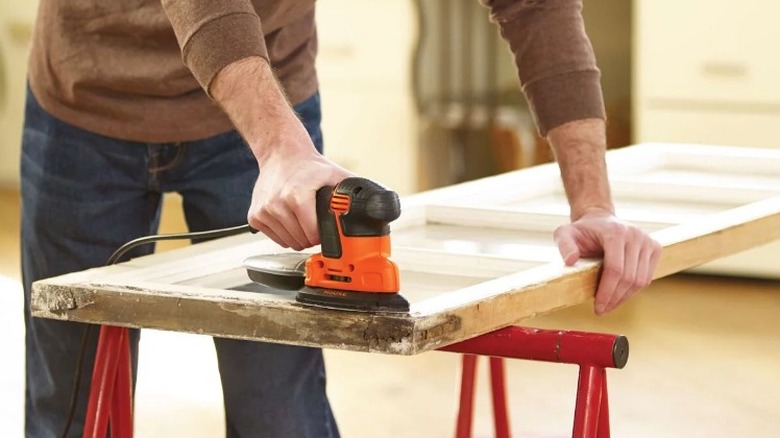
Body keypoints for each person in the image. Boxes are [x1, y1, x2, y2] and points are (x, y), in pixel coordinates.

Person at [21, 0, 661, 436]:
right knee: (71, 404)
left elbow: (536, 6)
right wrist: (282, 151)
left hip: (272, 88)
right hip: (89, 97)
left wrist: (593, 204)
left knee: (280, 407)